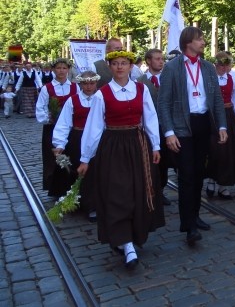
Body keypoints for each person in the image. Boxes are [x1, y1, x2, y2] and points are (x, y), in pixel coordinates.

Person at [77, 50, 163, 269]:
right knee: (117, 193)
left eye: (124, 63)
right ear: (109, 67)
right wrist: (85, 157)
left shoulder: (141, 90)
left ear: (130, 66)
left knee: (138, 191)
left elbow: (150, 118)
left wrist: (156, 145)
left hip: (137, 145)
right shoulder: (101, 94)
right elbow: (94, 127)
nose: (120, 67)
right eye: (115, 64)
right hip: (113, 147)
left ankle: (134, 235)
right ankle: (125, 243)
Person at [158, 26, 228, 246]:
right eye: (200, 39)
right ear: (188, 42)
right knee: (187, 175)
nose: (203, 42)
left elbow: (216, 99)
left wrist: (222, 126)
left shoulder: (207, 67)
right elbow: (164, 102)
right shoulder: (172, 68)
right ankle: (188, 225)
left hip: (203, 123)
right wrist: (169, 132)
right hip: (182, 126)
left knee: (199, 173)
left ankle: (195, 214)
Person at [51, 71, 99, 221]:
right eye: (85, 83)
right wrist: (59, 143)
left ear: (96, 83)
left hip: (97, 140)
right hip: (78, 139)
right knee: (75, 171)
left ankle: (93, 205)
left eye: (92, 83)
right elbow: (64, 123)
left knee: (95, 172)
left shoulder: (101, 99)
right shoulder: (73, 101)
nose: (89, 86)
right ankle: (75, 201)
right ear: (80, 84)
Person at [205, 52, 235, 200]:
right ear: (215, 64)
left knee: (229, 150)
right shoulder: (209, 78)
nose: (224, 68)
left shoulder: (233, 79)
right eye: (221, 64)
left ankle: (223, 185)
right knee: (214, 149)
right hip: (213, 117)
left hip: (229, 115)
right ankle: (211, 178)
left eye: (227, 64)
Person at [36, 58, 79, 197]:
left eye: (64, 68)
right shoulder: (46, 88)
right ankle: (54, 188)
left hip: (71, 129)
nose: (61, 71)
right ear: (54, 70)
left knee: (70, 156)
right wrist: (48, 117)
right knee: (52, 158)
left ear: (68, 70)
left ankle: (70, 184)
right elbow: (40, 108)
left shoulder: (74, 87)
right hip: (52, 128)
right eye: (58, 68)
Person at [137, 48, 174, 206]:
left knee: (164, 160)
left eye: (161, 58)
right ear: (148, 61)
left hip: (166, 126)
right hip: (147, 127)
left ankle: (161, 189)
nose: (161, 61)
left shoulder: (169, 78)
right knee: (150, 159)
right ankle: (150, 189)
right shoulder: (140, 81)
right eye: (157, 59)